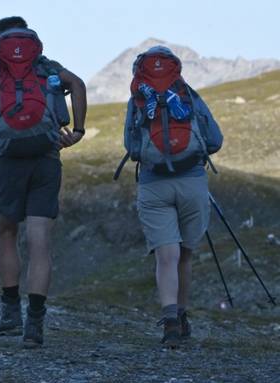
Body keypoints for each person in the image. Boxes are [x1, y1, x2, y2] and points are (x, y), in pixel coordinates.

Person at [0, 16, 87, 347]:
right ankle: (35, 323)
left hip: (8, 161)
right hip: (46, 159)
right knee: (40, 241)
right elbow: (79, 85)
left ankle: (10, 311)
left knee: (7, 233)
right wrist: (77, 131)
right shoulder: (45, 66)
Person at [118, 46, 223, 347]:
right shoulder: (188, 94)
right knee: (184, 256)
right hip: (192, 181)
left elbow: (132, 146)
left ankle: (170, 324)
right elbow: (214, 139)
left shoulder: (137, 99)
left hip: (154, 185)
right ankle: (182, 314)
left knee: (166, 257)